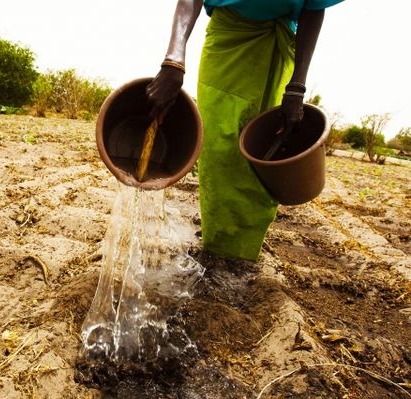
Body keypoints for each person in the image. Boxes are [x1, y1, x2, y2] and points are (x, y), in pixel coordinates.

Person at [147, 0, 343, 261]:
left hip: (277, 46)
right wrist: (174, 59)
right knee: (217, 148)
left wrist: (297, 85)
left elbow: (314, 6)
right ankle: (217, 247)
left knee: (262, 150)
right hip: (228, 37)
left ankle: (240, 256)